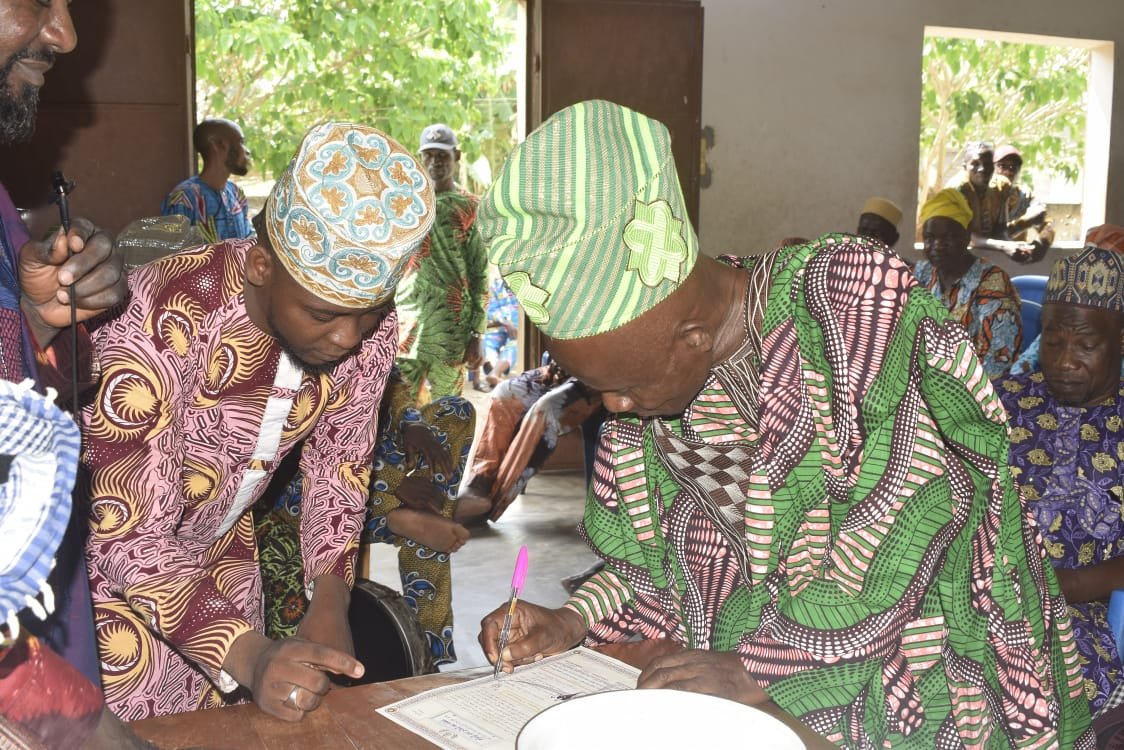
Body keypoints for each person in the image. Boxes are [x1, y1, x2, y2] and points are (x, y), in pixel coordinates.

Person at [475, 100, 1093, 747]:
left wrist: (758, 667)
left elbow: (906, 524)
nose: (615, 409)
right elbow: (656, 569)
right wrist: (573, 619)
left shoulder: (851, 307)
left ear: (693, 337)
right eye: (599, 390)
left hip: (939, 683)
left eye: (624, 388)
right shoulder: (652, 392)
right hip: (756, 688)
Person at [82, 122, 435, 721]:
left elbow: (340, 466)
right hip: (112, 586)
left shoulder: (364, 329)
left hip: (225, 558)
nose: (348, 339)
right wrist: (248, 654)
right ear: (261, 267)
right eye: (322, 314)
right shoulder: (157, 318)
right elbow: (126, 536)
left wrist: (330, 598)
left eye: (369, 314)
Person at [255, 365, 474, 666]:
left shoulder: (370, 344)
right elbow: (312, 451)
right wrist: (395, 482)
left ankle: (412, 514)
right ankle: (430, 653)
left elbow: (392, 385)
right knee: (300, 486)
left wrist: (412, 425)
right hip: (316, 484)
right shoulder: (280, 364)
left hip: (377, 458)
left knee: (457, 410)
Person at [998, 225, 1124, 715]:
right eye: (1053, 341)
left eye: (1086, 345)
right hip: (973, 592)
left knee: (1020, 693)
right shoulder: (1001, 401)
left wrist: (1061, 586)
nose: (1065, 361)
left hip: (1076, 617)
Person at [394, 123, 487, 403]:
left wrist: (477, 333)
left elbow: (480, 273)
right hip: (406, 328)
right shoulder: (405, 205)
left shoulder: (471, 207)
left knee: (446, 415)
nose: (435, 162)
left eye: (443, 156)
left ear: (456, 157)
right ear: (421, 158)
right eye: (429, 155)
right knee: (398, 412)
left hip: (451, 332)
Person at [457, 359, 602, 524]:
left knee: (545, 410)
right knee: (503, 392)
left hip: (599, 379)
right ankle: (477, 483)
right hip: (560, 370)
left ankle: (493, 502)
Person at [912, 187, 1023, 378]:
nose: (937, 245)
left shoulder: (992, 283)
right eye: (930, 238)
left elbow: (996, 363)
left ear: (966, 236)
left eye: (947, 237)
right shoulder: (924, 273)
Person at [160, 118, 253, 243]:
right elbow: (174, 252)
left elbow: (248, 243)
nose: (247, 151)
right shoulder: (184, 199)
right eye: (241, 142)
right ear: (218, 145)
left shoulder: (237, 194)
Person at [952, 140, 1038, 262]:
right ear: (964, 166)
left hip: (988, 257)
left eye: (987, 164)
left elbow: (1001, 230)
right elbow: (966, 237)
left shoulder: (1001, 187)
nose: (982, 169)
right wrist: (1004, 246)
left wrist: (1013, 245)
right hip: (956, 259)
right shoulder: (957, 190)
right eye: (975, 164)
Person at [994, 144, 1054, 261]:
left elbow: (1047, 226)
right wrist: (1022, 224)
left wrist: (1041, 243)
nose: (1008, 172)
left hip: (1015, 261)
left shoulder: (1024, 196)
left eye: (1013, 167)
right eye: (1001, 166)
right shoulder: (983, 196)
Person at [478, 273, 520, 391]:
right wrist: (506, 323)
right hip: (499, 325)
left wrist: (516, 326)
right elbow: (490, 311)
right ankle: (494, 372)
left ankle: (494, 373)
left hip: (519, 328)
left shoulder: (525, 287)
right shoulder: (495, 286)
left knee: (516, 344)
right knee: (488, 342)